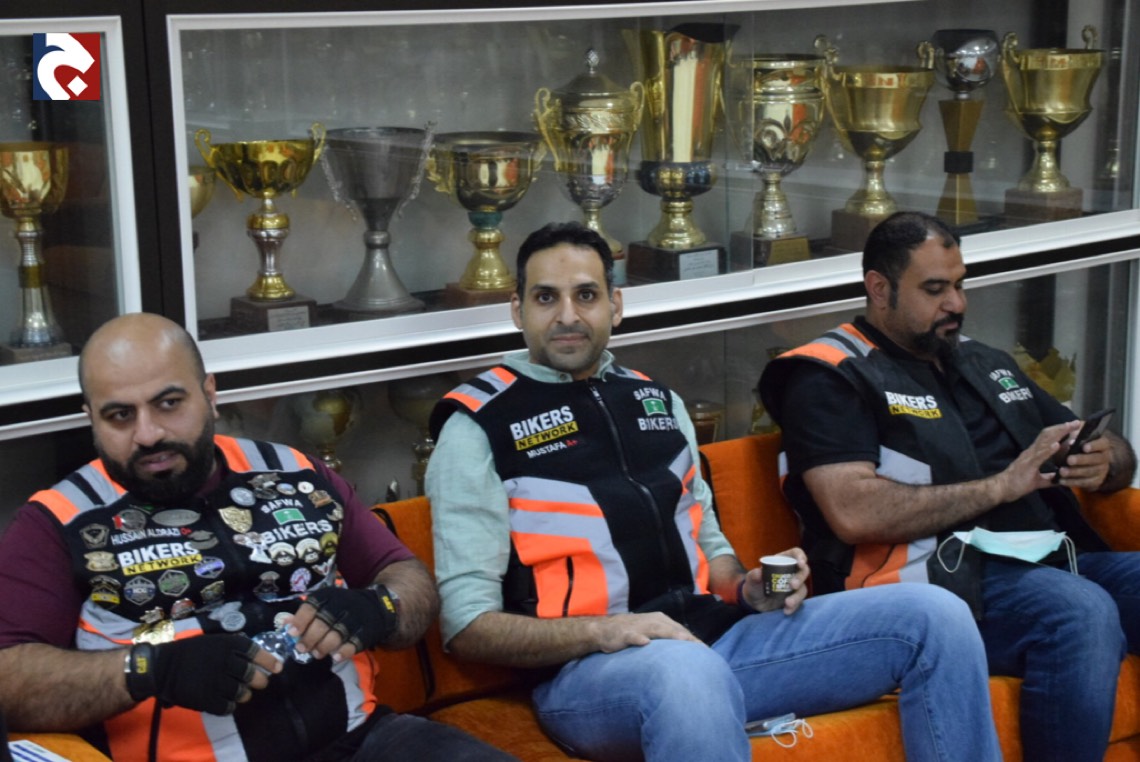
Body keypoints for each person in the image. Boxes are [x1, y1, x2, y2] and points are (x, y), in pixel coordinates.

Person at [425, 220, 1003, 762]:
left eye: (587, 295)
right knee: (682, 670)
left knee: (936, 616)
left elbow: (710, 550)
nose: (568, 316)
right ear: (518, 310)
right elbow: (468, 627)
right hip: (590, 675)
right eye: (546, 298)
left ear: (616, 305)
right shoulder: (478, 425)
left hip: (716, 642)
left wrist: (752, 588)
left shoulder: (656, 400)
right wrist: (607, 630)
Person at [0, 313, 517, 762]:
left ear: (209, 394)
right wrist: (147, 671)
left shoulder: (295, 472)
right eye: (119, 415)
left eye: (169, 403)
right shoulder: (58, 521)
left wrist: (378, 607)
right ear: (90, 419)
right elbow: (9, 677)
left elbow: (408, 579)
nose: (148, 434)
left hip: (363, 742)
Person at [758, 210, 1140, 762]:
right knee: (1078, 613)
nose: (956, 304)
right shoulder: (828, 375)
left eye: (960, 285)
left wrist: (1108, 461)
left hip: (1048, 557)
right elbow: (851, 511)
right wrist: (1000, 486)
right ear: (880, 289)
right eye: (935, 290)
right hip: (932, 583)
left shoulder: (981, 360)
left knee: (1089, 594)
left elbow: (1093, 443)